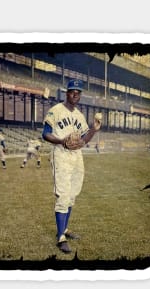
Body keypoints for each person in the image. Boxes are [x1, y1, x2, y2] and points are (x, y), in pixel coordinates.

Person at [42, 79, 102, 253]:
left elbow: (83, 141)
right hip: (61, 153)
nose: (75, 93)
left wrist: (93, 129)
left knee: (73, 194)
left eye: (78, 91)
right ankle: (60, 238)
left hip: (77, 156)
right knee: (63, 195)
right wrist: (62, 141)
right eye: (72, 91)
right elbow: (45, 134)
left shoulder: (80, 116)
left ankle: (65, 229)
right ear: (66, 93)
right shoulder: (56, 110)